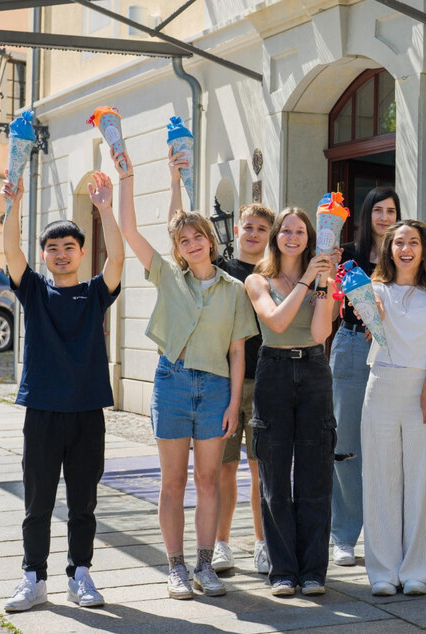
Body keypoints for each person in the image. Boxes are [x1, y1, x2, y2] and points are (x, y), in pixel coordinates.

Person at [118, 149, 257, 600]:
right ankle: (175, 567)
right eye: (184, 240)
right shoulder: (166, 276)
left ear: (211, 242)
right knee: (173, 481)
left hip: (216, 387)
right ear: (177, 248)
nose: (193, 244)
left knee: (209, 479)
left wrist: (235, 403)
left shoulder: (234, 289)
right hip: (172, 383)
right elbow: (130, 231)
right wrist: (127, 176)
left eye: (199, 238)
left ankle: (204, 564)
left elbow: (238, 352)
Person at [0, 169, 123, 612]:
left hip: (88, 412)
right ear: (45, 255)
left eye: (69, 247)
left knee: (83, 503)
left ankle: (80, 574)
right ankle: (33, 578)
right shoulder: (32, 291)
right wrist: (14, 202)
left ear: (82, 252)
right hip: (44, 412)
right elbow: (11, 249)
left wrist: (106, 209)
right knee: (37, 501)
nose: (61, 254)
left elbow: (119, 261)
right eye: (52, 248)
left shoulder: (94, 294)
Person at [165, 149, 275, 575]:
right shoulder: (221, 269)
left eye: (261, 228)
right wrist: (176, 179)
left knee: (261, 467)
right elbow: (178, 232)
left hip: (265, 380)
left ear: (269, 234)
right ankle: (224, 543)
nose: (253, 233)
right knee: (224, 468)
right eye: (248, 226)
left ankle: (263, 543)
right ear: (237, 229)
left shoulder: (273, 274)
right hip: (223, 385)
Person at [358, 219, 426, 597]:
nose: (405, 248)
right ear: (388, 248)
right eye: (398, 242)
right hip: (380, 383)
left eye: (413, 242)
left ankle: (418, 570)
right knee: (380, 478)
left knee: (423, 477)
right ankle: (382, 571)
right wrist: (372, 315)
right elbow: (372, 332)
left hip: (422, 386)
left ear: (423, 249)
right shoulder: (372, 288)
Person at [244, 208, 338, 597]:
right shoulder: (257, 280)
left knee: (315, 475)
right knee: (275, 475)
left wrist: (325, 288)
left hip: (314, 370)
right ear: (276, 237)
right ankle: (283, 570)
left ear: (310, 237)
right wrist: (305, 281)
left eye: (301, 231)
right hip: (275, 371)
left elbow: (319, 332)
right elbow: (277, 323)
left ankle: (313, 570)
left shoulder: (321, 280)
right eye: (287, 230)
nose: (293, 237)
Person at [330, 186, 399, 567]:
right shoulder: (349, 253)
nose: (385, 218)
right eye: (379, 210)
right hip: (353, 345)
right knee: (346, 442)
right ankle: (343, 534)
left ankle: (384, 532)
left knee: (387, 441)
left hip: (393, 353)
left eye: (392, 211)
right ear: (367, 214)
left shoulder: (405, 255)